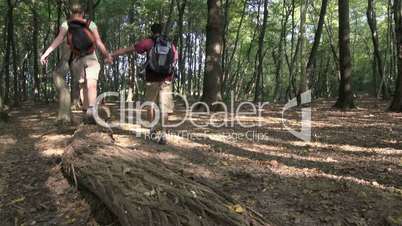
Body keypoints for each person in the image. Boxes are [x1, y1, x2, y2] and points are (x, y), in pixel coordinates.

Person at [40, 3, 113, 124]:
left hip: (77, 59)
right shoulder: (90, 23)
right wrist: (107, 55)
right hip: (91, 56)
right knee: (92, 84)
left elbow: (58, 39)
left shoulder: (66, 24)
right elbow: (98, 42)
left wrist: (46, 53)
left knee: (83, 85)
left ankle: (86, 113)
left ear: (71, 12)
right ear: (83, 12)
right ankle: (91, 111)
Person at [112, 23, 178, 145]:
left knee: (150, 105)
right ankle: (163, 134)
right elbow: (175, 59)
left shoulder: (148, 42)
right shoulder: (170, 44)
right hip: (167, 79)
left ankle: (152, 130)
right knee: (165, 108)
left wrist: (112, 55)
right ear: (162, 31)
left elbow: (129, 49)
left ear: (152, 31)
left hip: (152, 79)